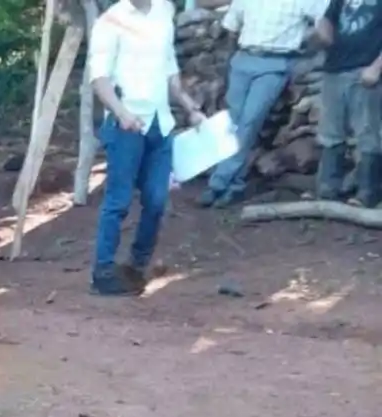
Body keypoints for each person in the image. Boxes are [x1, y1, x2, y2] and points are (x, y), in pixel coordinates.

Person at [88, 0, 205, 296]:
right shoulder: (110, 21)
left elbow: (169, 67)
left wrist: (189, 107)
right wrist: (121, 112)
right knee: (119, 200)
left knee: (156, 199)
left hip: (160, 122)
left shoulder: (165, 10)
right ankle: (102, 271)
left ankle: (137, 264)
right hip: (126, 123)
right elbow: (99, 79)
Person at [198, 0, 330, 208]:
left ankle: (218, 183)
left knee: (249, 122)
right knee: (233, 122)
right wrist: (229, 64)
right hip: (243, 58)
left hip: (275, 62)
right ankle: (234, 184)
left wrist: (304, 48)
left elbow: (324, 26)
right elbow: (232, 28)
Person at [313, 0, 382, 207]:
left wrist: (377, 68)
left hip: (365, 70)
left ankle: (368, 192)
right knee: (330, 130)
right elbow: (328, 18)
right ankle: (327, 188)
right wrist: (324, 33)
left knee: (367, 130)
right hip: (335, 68)